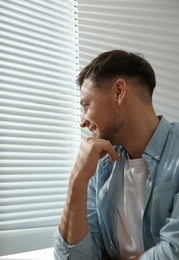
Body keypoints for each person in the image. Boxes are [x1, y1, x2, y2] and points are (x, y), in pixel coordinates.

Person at [54, 50, 179, 259]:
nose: (82, 121)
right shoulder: (100, 167)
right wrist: (77, 181)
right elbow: (73, 257)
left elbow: (174, 251)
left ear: (119, 92)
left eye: (86, 104)